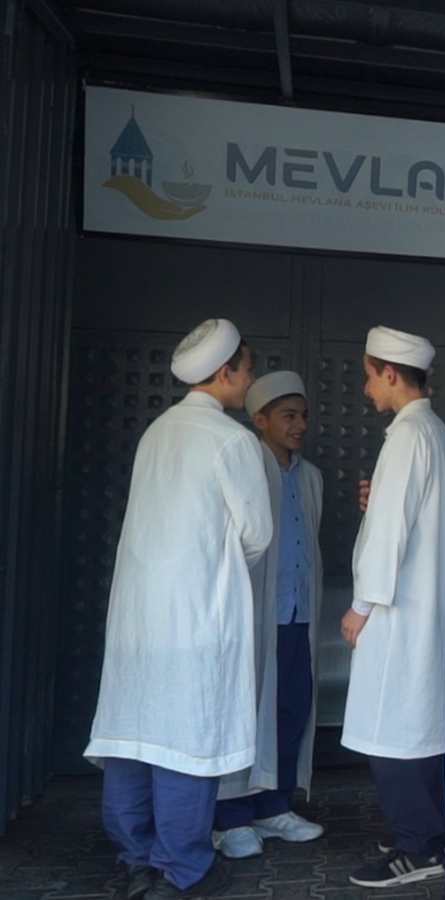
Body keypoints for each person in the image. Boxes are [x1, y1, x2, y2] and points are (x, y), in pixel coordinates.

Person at [86, 319, 272, 900]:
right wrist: (215, 567)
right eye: (247, 370)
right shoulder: (231, 439)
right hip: (195, 615)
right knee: (187, 738)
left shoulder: (157, 431)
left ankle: (137, 861)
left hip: (139, 617)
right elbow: (257, 534)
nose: (251, 381)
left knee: (136, 737)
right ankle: (180, 870)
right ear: (226, 372)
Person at [341, 327, 445, 888]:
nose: (367, 389)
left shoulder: (408, 435)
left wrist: (360, 605)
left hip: (399, 610)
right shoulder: (437, 432)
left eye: (369, 376)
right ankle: (433, 833)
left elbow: (390, 531)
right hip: (428, 608)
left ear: (390, 374)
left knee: (391, 731)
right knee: (422, 727)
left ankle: (418, 846)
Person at [210, 370, 325, 860]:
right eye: (288, 416)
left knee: (291, 712)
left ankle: (273, 808)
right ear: (260, 421)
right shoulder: (247, 467)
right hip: (254, 617)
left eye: (303, 416)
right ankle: (229, 817)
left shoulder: (311, 476)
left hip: (298, 614)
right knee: (246, 713)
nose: (299, 426)